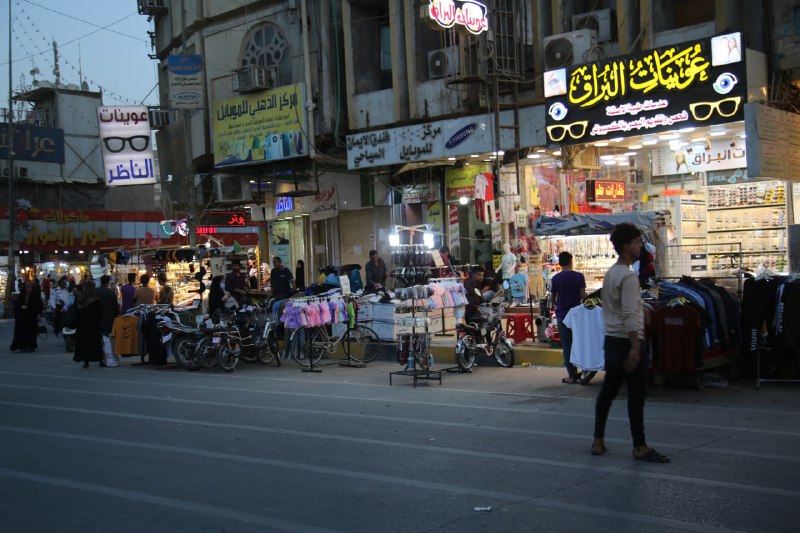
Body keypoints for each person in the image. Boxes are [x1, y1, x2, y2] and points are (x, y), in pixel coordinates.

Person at [591, 223, 670, 463]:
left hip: (612, 340)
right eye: (636, 242)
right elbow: (627, 314)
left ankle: (598, 440)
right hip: (627, 341)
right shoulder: (628, 276)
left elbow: (617, 308)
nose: (639, 246)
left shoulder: (611, 274)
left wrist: (639, 309)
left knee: (608, 392)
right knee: (636, 396)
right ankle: (640, 446)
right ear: (626, 247)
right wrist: (636, 347)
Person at [551, 251, 586, 384]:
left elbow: (553, 299)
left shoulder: (556, 278)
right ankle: (583, 372)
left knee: (567, 346)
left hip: (562, 315)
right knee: (580, 343)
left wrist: (560, 304)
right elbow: (583, 297)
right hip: (576, 315)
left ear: (559, 263)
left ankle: (572, 375)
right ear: (571, 262)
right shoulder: (579, 276)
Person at [73, 281, 105, 368]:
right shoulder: (96, 300)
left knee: (85, 343)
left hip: (82, 326)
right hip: (94, 325)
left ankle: (86, 361)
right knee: (96, 343)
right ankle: (100, 360)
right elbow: (101, 313)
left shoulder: (81, 300)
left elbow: (76, 313)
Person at [10, 280, 43, 352]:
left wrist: (39, 314)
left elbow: (39, 306)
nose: (29, 288)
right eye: (27, 287)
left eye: (30, 287)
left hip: (32, 317)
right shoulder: (21, 295)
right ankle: (22, 346)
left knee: (31, 332)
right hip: (22, 317)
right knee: (21, 331)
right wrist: (21, 307)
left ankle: (30, 346)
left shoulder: (35, 296)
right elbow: (17, 305)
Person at [97, 275, 120, 367]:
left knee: (100, 340)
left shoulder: (95, 291)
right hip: (108, 319)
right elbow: (116, 307)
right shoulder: (111, 293)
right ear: (108, 282)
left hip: (97, 318)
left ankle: (101, 359)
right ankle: (109, 358)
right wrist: (116, 315)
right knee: (108, 340)